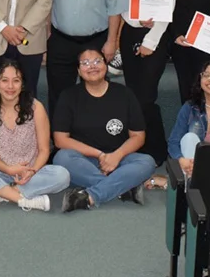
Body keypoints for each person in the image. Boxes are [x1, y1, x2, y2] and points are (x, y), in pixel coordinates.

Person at [0, 58, 70, 211]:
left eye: (16, 81)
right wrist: (8, 169)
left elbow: (44, 150)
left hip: (31, 173)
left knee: (62, 175)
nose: (10, 86)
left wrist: (31, 172)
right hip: (1, 171)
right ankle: (22, 199)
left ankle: (1, 193)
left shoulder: (36, 107)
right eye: (5, 80)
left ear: (22, 83)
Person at [53, 48, 155, 211]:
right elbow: (60, 139)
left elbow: (138, 136)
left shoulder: (125, 94)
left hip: (119, 160)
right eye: (85, 63)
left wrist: (116, 156)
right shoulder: (69, 96)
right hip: (84, 160)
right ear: (79, 70)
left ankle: (90, 196)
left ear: (106, 65)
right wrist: (100, 155)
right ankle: (125, 187)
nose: (92, 66)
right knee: (62, 158)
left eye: (97, 61)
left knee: (147, 162)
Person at [120, 0, 179, 163]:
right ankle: (138, 146)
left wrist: (151, 42)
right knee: (134, 95)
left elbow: (168, 7)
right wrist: (135, 20)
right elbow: (123, 4)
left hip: (155, 37)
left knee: (147, 96)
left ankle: (156, 149)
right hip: (130, 36)